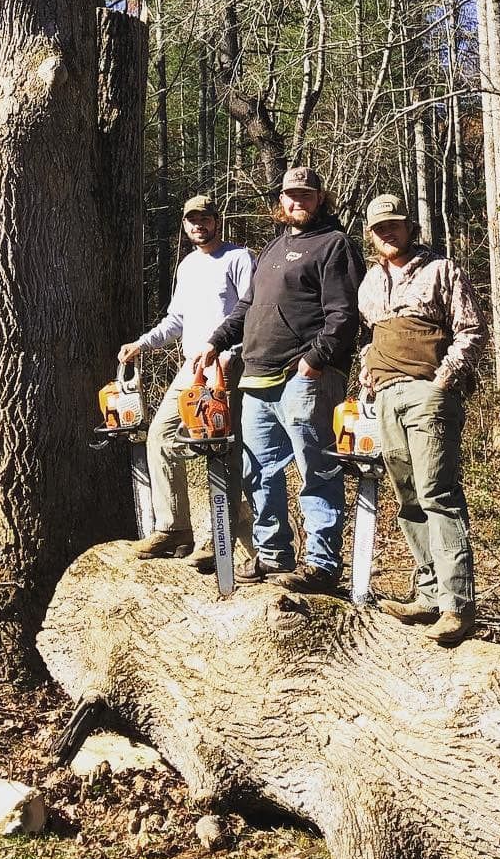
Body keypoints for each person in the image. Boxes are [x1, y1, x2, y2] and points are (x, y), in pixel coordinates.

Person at [195, 164, 363, 592]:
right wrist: (216, 341)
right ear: (281, 201)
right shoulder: (272, 248)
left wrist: (315, 361)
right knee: (260, 471)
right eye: (290, 195)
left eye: (306, 195)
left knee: (317, 469)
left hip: (304, 376)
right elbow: (246, 306)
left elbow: (343, 316)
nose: (297, 202)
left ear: (320, 198)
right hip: (257, 377)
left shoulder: (334, 245)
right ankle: (272, 555)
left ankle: (323, 565)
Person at [357, 192, 488, 646]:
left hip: (428, 395)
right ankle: (429, 594)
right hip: (386, 398)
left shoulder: (441, 270)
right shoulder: (370, 281)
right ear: (371, 235)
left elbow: (471, 329)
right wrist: (367, 380)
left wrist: (443, 381)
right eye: (379, 227)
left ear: (410, 227)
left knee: (438, 493)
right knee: (408, 496)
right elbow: (371, 339)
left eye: (395, 224)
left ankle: (457, 605)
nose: (387, 232)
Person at [117, 194, 254, 567]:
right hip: (190, 368)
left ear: (216, 221)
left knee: (223, 448)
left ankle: (218, 538)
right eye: (192, 220)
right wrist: (142, 344)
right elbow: (175, 320)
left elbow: (250, 313)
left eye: (205, 219)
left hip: (227, 367)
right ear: (184, 224)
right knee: (160, 435)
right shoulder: (188, 266)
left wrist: (226, 354)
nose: (198, 225)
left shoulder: (239, 258)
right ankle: (174, 527)